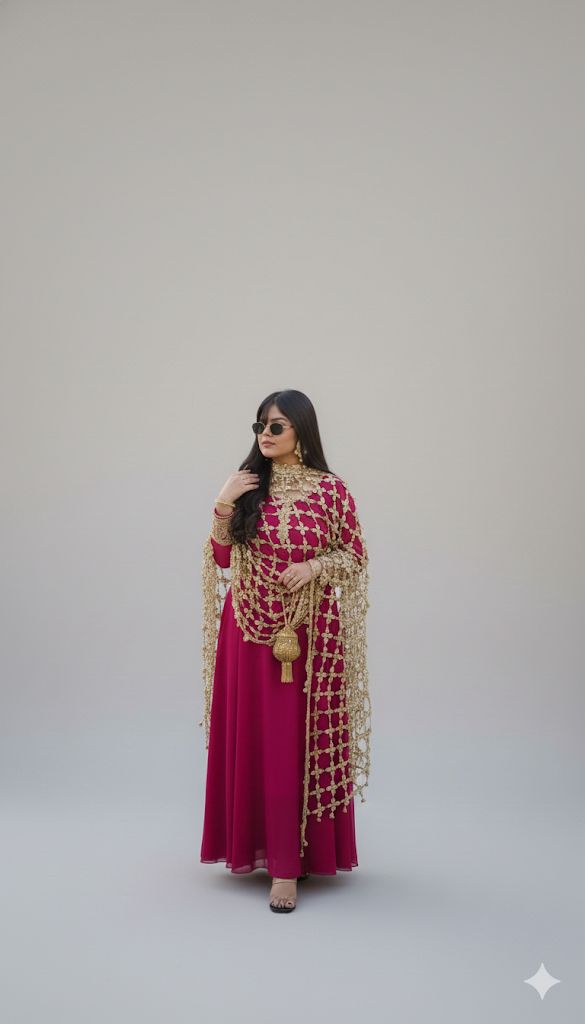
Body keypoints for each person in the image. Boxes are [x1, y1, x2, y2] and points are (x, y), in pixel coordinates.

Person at [199, 389, 372, 912]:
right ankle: (273, 859)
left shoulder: (330, 491)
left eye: (276, 426)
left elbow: (354, 555)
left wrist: (315, 566)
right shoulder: (248, 486)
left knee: (298, 739)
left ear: (301, 430)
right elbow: (222, 558)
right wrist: (224, 501)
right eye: (260, 426)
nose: (266, 435)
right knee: (260, 737)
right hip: (249, 631)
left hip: (310, 635)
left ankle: (293, 863)